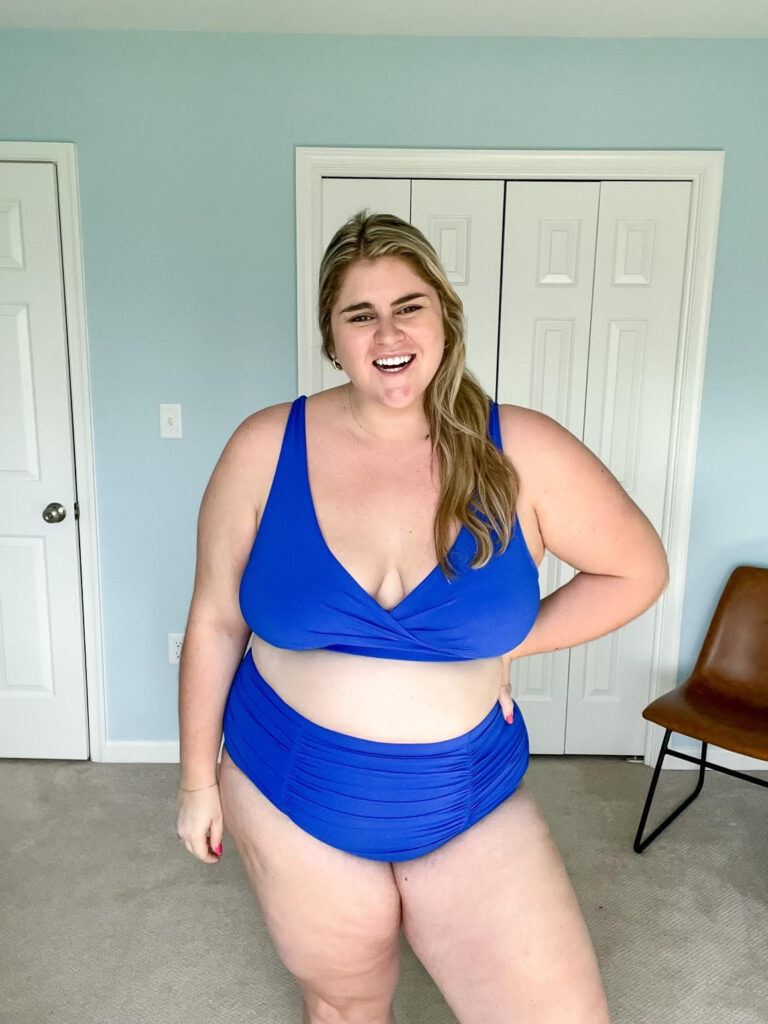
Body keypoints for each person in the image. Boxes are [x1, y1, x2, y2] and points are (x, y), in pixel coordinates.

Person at [176, 209, 669, 1024]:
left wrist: (512, 640)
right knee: (347, 1002)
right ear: (332, 339)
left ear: (444, 316)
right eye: (358, 314)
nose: (387, 332)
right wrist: (196, 782)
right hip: (288, 777)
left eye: (409, 305)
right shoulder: (265, 445)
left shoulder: (524, 449)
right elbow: (216, 619)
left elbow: (635, 570)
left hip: (466, 785)